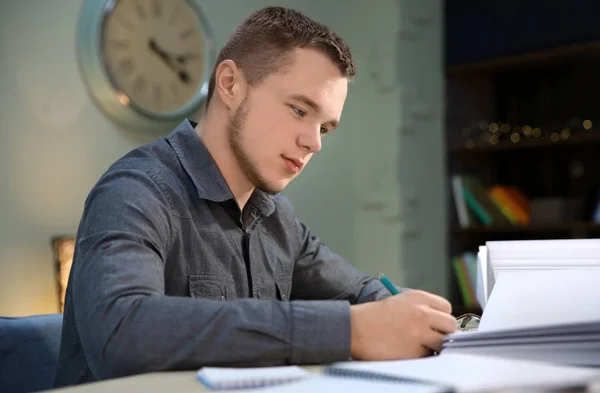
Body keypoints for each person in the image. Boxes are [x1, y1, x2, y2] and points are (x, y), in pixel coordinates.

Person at [54, 5, 456, 388]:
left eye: (325, 128)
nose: (313, 142)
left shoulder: (277, 219)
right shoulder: (135, 190)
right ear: (230, 84)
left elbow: (362, 292)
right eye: (300, 110)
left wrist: (412, 315)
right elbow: (122, 332)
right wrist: (351, 329)